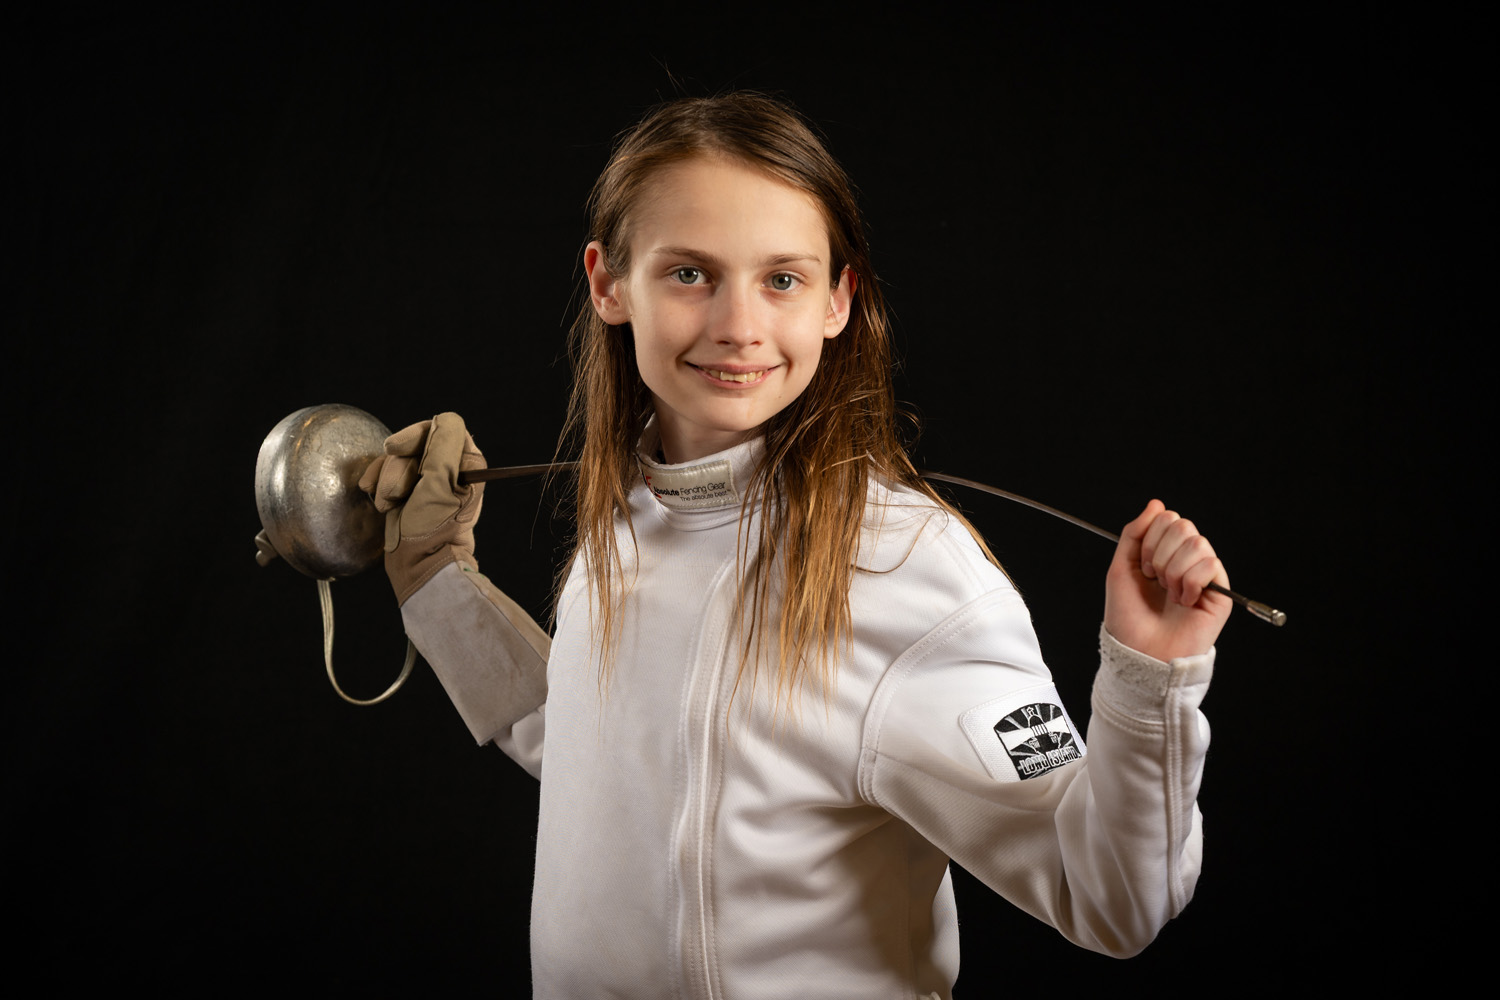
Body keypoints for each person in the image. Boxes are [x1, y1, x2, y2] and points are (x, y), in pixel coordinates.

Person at [361, 92, 1230, 999]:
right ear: (608, 283)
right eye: (690, 273)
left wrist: (1149, 683)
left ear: (837, 300)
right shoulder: (624, 521)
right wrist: (435, 581)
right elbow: (599, 749)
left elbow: (1113, 900)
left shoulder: (903, 569)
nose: (739, 326)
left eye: (781, 279)